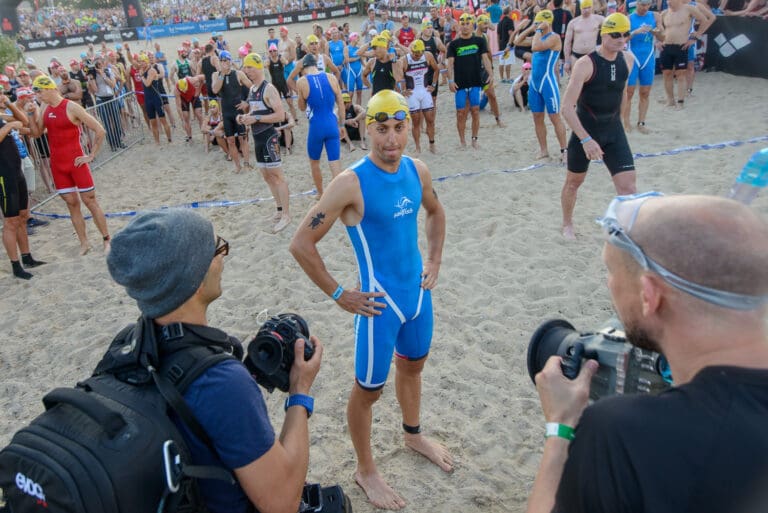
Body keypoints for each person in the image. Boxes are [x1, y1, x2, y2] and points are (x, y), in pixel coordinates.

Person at [526, 193, 768, 513]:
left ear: (649, 294)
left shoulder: (623, 435)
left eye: (611, 272)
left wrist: (561, 425)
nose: (610, 284)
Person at [289, 90, 452, 511]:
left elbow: (435, 212)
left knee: (414, 367)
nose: (391, 139)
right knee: (368, 391)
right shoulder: (350, 183)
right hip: (378, 308)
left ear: (409, 128)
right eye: (382, 130)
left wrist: (434, 259)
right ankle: (366, 470)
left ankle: (413, 434)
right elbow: (301, 243)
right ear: (366, 129)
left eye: (399, 128)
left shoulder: (418, 170)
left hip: (417, 298)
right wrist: (340, 294)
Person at [107, 209, 323, 513]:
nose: (222, 257)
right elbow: (283, 503)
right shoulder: (221, 382)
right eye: (216, 249)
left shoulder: (126, 347)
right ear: (193, 278)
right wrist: (300, 391)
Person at [560, 13, 636, 240]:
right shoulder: (585, 64)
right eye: (616, 34)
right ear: (603, 34)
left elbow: (622, 93)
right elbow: (566, 107)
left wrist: (620, 122)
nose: (621, 39)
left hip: (613, 131)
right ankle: (567, 224)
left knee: (628, 188)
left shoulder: (628, 59)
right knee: (574, 182)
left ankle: (625, 230)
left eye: (625, 34)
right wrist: (585, 139)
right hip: (586, 131)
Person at [29, 75, 111, 255]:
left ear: (50, 88)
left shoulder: (72, 107)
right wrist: (29, 114)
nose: (37, 95)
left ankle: (106, 239)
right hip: (58, 165)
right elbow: (36, 133)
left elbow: (100, 130)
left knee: (90, 201)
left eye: (39, 91)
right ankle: (84, 243)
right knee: (71, 204)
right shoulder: (44, 107)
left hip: (76, 162)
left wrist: (91, 155)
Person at [237, 53, 292, 234]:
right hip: (257, 138)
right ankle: (278, 210)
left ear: (258, 67)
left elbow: (280, 115)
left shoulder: (269, 89)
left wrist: (257, 118)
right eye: (245, 68)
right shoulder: (252, 89)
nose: (247, 71)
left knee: (277, 176)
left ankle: (286, 214)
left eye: (250, 67)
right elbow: (254, 112)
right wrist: (245, 118)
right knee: (267, 177)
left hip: (269, 137)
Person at [0, 90, 45, 279]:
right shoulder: (5, 122)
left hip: (16, 171)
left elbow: (24, 121)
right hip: (3, 175)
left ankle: (27, 256)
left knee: (22, 216)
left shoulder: (2, 115)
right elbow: (13, 125)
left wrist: (9, 103)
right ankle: (15, 265)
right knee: (10, 222)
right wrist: (9, 127)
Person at [296, 54, 345, 198]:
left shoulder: (302, 81)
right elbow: (341, 103)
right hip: (332, 123)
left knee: (314, 162)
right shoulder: (331, 77)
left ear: (304, 67)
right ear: (316, 65)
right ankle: (340, 194)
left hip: (316, 126)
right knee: (334, 160)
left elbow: (301, 107)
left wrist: (302, 97)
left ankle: (320, 193)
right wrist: (342, 124)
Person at [446, 13, 493, 149]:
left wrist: (491, 74)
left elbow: (485, 58)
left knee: (476, 111)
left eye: (468, 24)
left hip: (475, 82)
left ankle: (474, 139)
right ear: (459, 25)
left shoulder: (479, 41)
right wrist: (450, 80)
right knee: (461, 113)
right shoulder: (454, 44)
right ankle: (462, 141)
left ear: (472, 25)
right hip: (460, 83)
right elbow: (449, 64)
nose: (465, 26)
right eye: (463, 24)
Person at [528, 10, 568, 162]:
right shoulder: (537, 36)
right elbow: (518, 41)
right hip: (534, 84)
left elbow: (536, 47)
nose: (536, 25)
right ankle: (544, 150)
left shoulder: (554, 38)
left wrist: (538, 30)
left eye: (538, 22)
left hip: (547, 82)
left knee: (554, 117)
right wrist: (527, 28)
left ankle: (564, 151)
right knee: (537, 117)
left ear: (546, 22)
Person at [659, 0, 713, 107]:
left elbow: (705, 20)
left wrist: (695, 37)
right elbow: (659, 29)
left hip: (681, 45)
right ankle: (670, 100)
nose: (668, 2)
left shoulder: (688, 8)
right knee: (667, 74)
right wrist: (657, 41)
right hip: (666, 46)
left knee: (681, 75)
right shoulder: (664, 13)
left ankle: (680, 101)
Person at [622, 0, 664, 133]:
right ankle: (626, 122)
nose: (645, 8)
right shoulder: (629, 18)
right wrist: (635, 32)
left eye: (647, 5)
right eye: (642, 4)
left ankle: (641, 122)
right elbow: (623, 39)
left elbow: (663, 37)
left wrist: (655, 32)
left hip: (648, 57)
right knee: (629, 92)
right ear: (637, 4)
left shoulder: (655, 16)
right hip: (633, 57)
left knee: (645, 92)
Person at [212, 50, 253, 173]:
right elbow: (215, 90)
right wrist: (222, 74)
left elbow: (253, 87)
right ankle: (237, 166)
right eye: (222, 60)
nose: (224, 63)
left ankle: (246, 163)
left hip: (238, 111)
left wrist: (247, 102)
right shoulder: (216, 75)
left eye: (226, 60)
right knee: (230, 140)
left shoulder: (238, 74)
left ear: (230, 61)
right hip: (226, 112)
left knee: (242, 138)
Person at [399, 39, 439, 154]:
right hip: (412, 94)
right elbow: (398, 75)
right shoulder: (405, 59)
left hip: (425, 91)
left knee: (430, 120)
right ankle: (418, 147)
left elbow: (436, 69)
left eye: (419, 54)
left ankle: (432, 143)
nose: (417, 56)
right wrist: (402, 90)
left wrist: (434, 85)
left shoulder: (428, 55)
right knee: (416, 122)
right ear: (411, 50)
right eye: (415, 54)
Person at [136, 53, 173, 145]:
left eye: (143, 62)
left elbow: (148, 83)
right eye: (140, 62)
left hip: (156, 98)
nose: (141, 64)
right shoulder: (143, 71)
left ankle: (169, 139)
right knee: (153, 122)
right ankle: (157, 142)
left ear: (147, 61)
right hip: (148, 100)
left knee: (163, 120)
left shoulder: (152, 70)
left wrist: (141, 76)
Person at [563, 0, 605, 74]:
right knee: (575, 80)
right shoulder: (573, 22)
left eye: (589, 7)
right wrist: (567, 61)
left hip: (592, 55)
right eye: (584, 8)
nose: (587, 10)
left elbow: (610, 31)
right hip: (576, 55)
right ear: (580, 8)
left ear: (592, 7)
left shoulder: (599, 19)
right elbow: (567, 43)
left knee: (593, 80)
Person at [266, 44, 298, 123]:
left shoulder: (280, 58)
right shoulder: (268, 61)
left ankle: (295, 119)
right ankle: (280, 119)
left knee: (290, 102)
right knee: (277, 105)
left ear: (277, 51)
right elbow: (264, 66)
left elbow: (286, 62)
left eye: (274, 50)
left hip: (283, 84)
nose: (272, 52)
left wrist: (283, 59)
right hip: (275, 85)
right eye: (271, 51)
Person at [175, 74, 205, 143]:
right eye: (183, 90)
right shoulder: (176, 89)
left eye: (185, 89)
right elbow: (178, 106)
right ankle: (190, 137)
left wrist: (199, 89)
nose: (185, 91)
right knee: (185, 117)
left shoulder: (192, 80)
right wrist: (182, 119)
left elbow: (203, 77)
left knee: (199, 115)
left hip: (194, 95)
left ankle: (204, 135)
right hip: (184, 99)